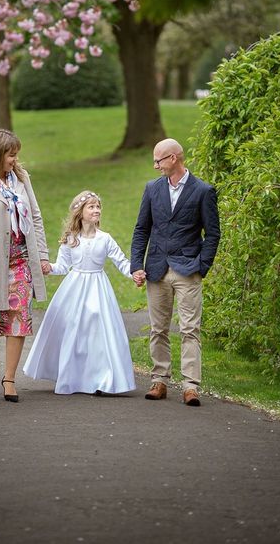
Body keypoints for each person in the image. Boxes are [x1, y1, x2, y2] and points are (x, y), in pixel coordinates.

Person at [130, 138, 220, 406]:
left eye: (159, 160)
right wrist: (137, 265)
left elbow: (213, 233)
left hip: (188, 269)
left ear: (174, 158)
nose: (155, 165)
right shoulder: (152, 188)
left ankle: (191, 386)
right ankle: (159, 380)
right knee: (158, 329)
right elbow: (141, 229)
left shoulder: (203, 190)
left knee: (190, 329)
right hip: (156, 269)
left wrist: (202, 267)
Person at [23, 190, 137, 395]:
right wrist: (49, 267)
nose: (96, 210)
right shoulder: (70, 239)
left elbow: (122, 262)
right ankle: (71, 377)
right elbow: (63, 266)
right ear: (80, 212)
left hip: (98, 288)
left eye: (98, 206)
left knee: (98, 332)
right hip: (74, 289)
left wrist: (134, 274)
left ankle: (102, 379)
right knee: (74, 330)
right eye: (91, 207)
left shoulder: (105, 239)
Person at [0, 128, 50, 403]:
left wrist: (43, 254)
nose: (14, 160)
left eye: (16, 155)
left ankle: (9, 378)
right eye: (10, 155)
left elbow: (35, 217)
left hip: (22, 260)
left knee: (20, 319)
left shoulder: (21, 180)